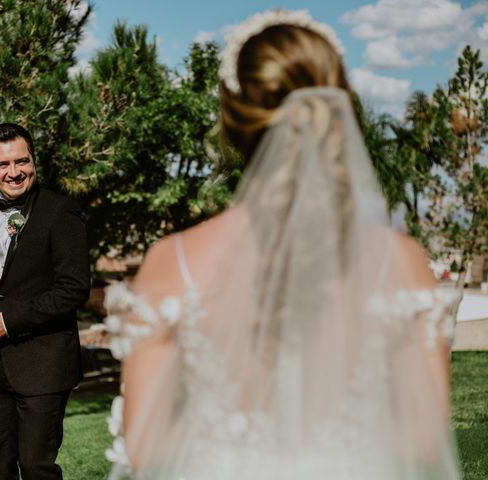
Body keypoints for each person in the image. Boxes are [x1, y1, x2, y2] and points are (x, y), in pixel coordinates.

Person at [103, 9, 460, 480]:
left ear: (231, 118)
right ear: (339, 108)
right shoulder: (400, 261)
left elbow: (147, 451)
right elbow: (421, 438)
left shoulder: (176, 262)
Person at [0, 123, 90, 479]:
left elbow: (73, 288)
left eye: (21, 161)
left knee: (35, 466)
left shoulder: (61, 211)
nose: (13, 172)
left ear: (33, 161)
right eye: (3, 164)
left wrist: (7, 320)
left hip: (44, 365)